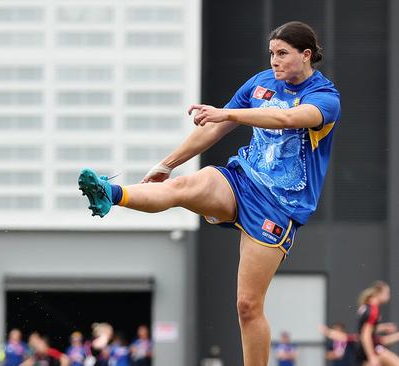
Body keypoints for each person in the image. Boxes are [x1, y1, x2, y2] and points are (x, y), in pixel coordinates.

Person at [78, 21, 340, 366]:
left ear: (306, 56)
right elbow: (215, 127)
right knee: (185, 185)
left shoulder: (325, 97)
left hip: (279, 206)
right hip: (241, 180)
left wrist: (228, 112)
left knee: (247, 306)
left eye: (282, 54)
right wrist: (167, 164)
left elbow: (287, 119)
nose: (274, 61)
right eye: (271, 53)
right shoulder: (261, 82)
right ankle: (110, 193)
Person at [356, 281, 399, 365]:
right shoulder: (373, 310)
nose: (389, 296)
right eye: (387, 293)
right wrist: (371, 356)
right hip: (371, 349)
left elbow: (366, 328)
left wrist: (384, 327)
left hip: (363, 349)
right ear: (379, 293)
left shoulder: (365, 306)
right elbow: (365, 335)